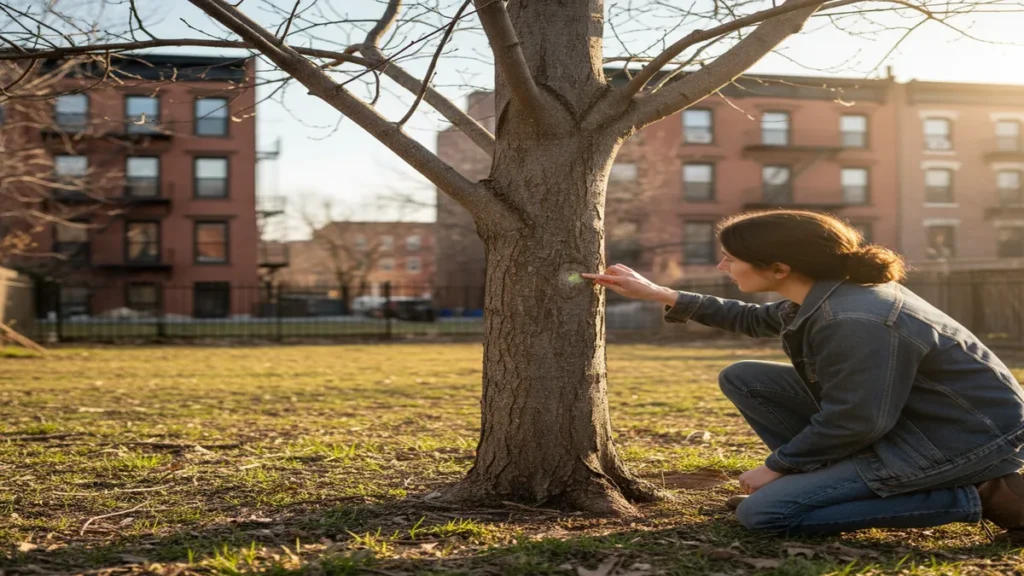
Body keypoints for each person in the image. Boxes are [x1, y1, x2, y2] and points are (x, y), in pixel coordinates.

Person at [583, 210, 1024, 538]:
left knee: (764, 515)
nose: (722, 267)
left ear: (779, 268)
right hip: (918, 421)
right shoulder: (830, 293)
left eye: (731, 258)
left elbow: (859, 420)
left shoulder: (854, 318)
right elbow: (755, 320)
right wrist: (661, 293)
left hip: (959, 443)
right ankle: (820, 481)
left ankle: (983, 494)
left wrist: (779, 466)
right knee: (746, 377)